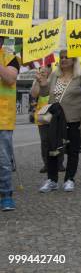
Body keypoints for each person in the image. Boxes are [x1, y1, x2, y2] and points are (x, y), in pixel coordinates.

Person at [32, 50, 81, 193]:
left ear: (74, 60)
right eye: (61, 57)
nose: (63, 59)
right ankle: (52, 180)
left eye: (67, 57)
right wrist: (42, 82)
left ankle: (69, 179)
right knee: (52, 150)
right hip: (55, 119)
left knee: (73, 150)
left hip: (73, 119)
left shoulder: (80, 77)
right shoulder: (55, 75)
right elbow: (44, 93)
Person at [0, 37, 18, 211]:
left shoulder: (10, 57)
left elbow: (10, 79)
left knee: (3, 161)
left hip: (2, 119)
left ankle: (6, 194)